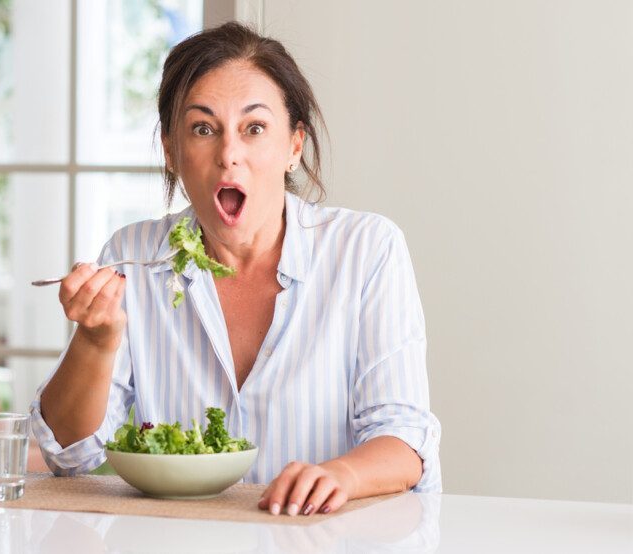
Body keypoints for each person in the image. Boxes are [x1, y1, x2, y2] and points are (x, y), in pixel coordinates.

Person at [31, 22, 441, 517]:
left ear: (294, 145)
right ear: (171, 151)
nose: (229, 155)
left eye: (255, 128)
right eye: (203, 129)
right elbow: (71, 453)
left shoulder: (367, 249)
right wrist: (95, 342)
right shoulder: (133, 253)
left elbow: (404, 435)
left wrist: (341, 475)